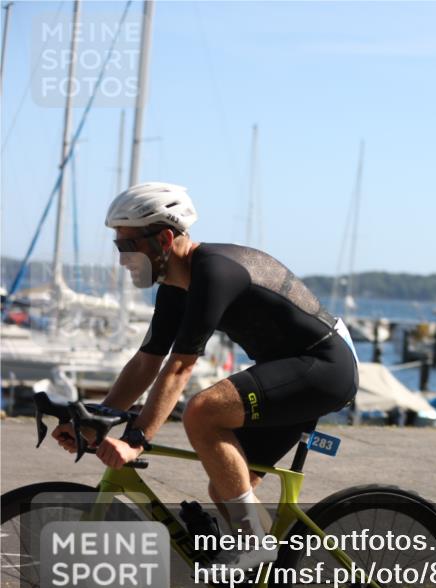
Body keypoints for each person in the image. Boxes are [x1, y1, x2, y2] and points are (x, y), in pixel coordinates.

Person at [53, 182, 358, 568]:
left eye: (127, 246)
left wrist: (136, 439)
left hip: (324, 367)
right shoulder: (175, 287)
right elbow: (147, 361)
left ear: (164, 238)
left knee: (203, 410)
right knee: (227, 485)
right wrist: (101, 419)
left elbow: (180, 366)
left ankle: (255, 546)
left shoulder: (214, 272)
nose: (121, 260)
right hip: (290, 370)